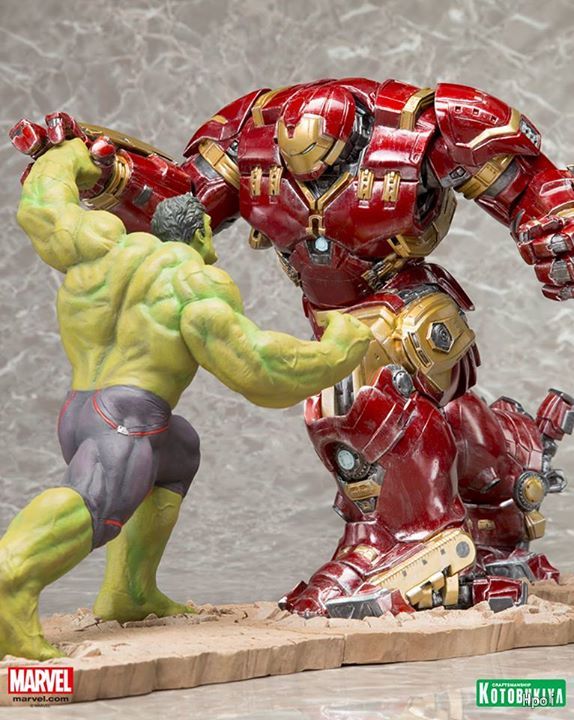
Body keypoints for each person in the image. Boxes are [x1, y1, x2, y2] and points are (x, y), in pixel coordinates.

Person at [10, 78, 574, 617]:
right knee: (407, 408)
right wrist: (106, 169)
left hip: (400, 295)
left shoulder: (420, 127)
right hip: (329, 309)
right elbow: (181, 207)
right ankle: (497, 496)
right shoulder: (250, 135)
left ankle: (417, 532)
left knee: (357, 396)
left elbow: (532, 184)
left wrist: (555, 225)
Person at [0, 136, 371, 660]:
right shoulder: (194, 283)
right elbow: (261, 370)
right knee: (96, 500)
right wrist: (341, 347)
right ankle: (11, 581)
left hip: (81, 409)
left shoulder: (100, 247)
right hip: (126, 419)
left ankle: (129, 591)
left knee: (178, 449)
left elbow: (42, 206)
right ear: (200, 234)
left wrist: (70, 158)